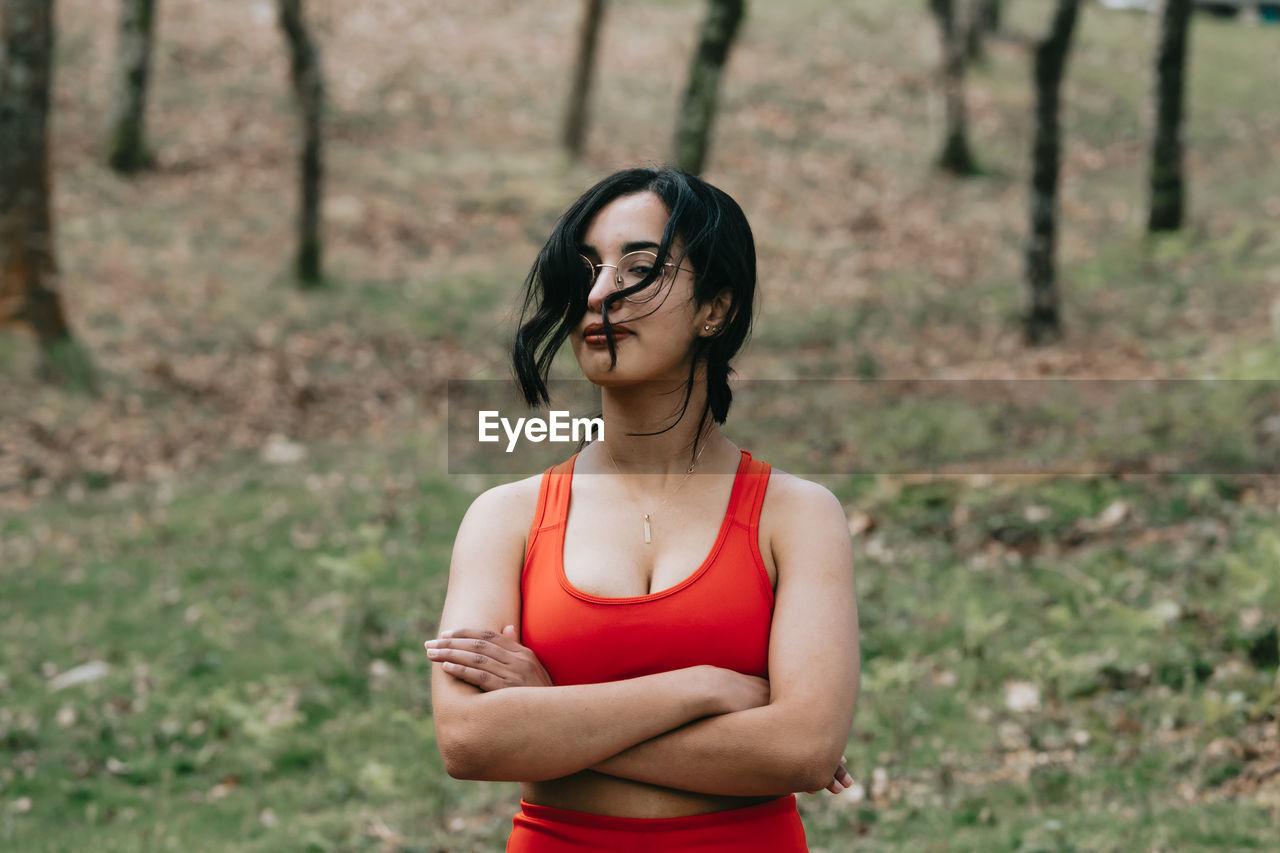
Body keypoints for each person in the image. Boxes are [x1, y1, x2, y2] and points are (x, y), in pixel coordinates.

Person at [426, 167, 860, 852]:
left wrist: (547, 717)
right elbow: (470, 740)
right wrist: (705, 687)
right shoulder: (504, 518)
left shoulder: (797, 515)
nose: (599, 294)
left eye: (638, 268)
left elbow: (802, 749)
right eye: (587, 270)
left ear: (715, 308)